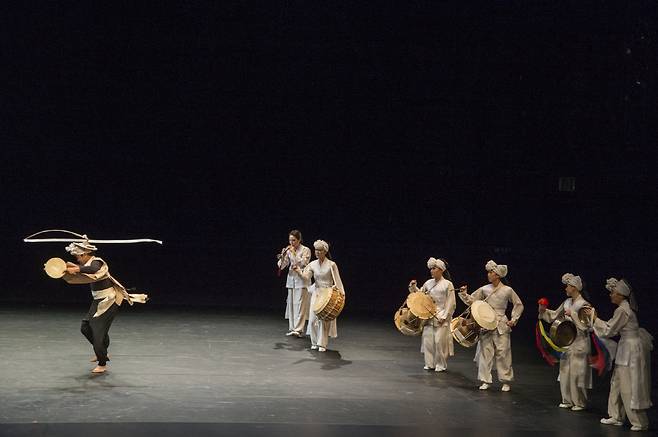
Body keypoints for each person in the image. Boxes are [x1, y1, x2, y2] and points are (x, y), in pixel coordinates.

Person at [62, 240, 148, 373]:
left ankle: (102, 363)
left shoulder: (97, 262)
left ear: (85, 254)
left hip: (109, 301)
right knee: (85, 327)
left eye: (78, 256)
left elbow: (93, 269)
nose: (77, 259)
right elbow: (80, 272)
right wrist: (62, 269)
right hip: (98, 301)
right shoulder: (86, 265)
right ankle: (103, 352)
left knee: (98, 333)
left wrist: (77, 269)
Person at [585, 278, 653, 432]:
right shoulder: (622, 309)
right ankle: (616, 415)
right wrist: (596, 319)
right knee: (616, 382)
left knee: (628, 385)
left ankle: (639, 422)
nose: (611, 295)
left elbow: (609, 330)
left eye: (613, 293)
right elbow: (611, 326)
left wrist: (595, 318)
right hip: (625, 347)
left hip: (630, 350)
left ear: (621, 295)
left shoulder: (623, 310)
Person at [458, 260, 524, 391]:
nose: (488, 274)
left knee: (503, 353)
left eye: (490, 272)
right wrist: (465, 294)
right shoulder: (484, 289)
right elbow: (473, 301)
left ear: (497, 275)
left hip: (501, 323)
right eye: (488, 272)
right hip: (486, 322)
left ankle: (505, 380)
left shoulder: (507, 290)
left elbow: (518, 304)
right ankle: (485, 380)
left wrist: (513, 319)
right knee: (485, 352)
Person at [538, 273, 593, 411]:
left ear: (574, 287)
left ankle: (579, 402)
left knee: (577, 373)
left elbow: (587, 326)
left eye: (568, 286)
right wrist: (543, 310)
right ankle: (567, 399)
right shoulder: (567, 302)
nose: (565, 288)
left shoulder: (584, 304)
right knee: (565, 371)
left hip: (580, 341)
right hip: (567, 340)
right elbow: (554, 316)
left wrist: (573, 315)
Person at [293, 240, 345, 352]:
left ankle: (322, 344)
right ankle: (314, 342)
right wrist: (298, 271)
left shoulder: (331, 264)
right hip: (316, 292)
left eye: (320, 250)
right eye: (316, 250)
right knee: (312, 319)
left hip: (327, 294)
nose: (317, 252)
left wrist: (340, 294)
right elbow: (306, 277)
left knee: (324, 320)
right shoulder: (312, 264)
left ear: (325, 251)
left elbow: (337, 281)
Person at [408, 257, 456, 372]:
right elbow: (421, 296)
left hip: (441, 315)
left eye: (434, 268)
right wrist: (414, 287)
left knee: (439, 341)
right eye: (431, 269)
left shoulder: (447, 284)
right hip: (428, 315)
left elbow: (451, 302)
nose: (431, 270)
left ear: (441, 270)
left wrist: (445, 316)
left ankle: (441, 364)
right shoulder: (428, 283)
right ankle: (429, 363)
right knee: (428, 340)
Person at [276, 230, 311, 337]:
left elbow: (303, 263)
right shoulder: (289, 250)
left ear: (299, 240)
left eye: (294, 240)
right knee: (291, 304)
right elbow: (282, 266)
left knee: (300, 305)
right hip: (291, 280)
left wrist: (294, 254)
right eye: (290, 240)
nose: (291, 242)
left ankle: (299, 329)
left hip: (302, 279)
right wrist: (283, 256)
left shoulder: (306, 250)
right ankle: (292, 328)